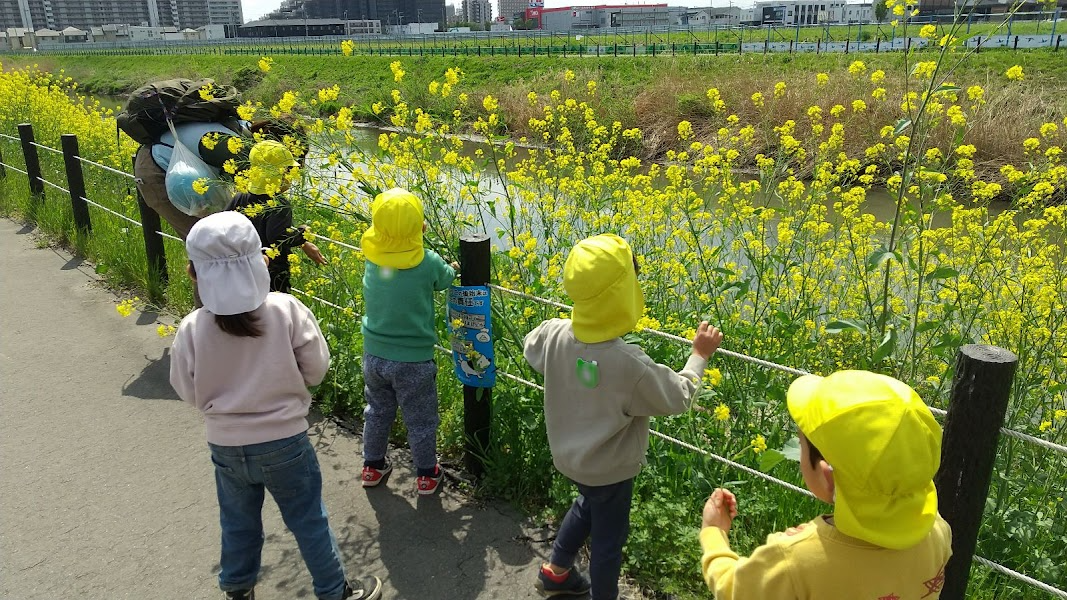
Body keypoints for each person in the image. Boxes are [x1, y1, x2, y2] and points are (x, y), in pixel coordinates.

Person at [169, 211, 382, 600]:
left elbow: (185, 389)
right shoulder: (286, 310)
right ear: (260, 262)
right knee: (307, 519)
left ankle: (237, 589)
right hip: (285, 442)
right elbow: (316, 369)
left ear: (194, 273)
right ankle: (335, 592)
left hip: (226, 447)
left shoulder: (192, 327)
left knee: (237, 521)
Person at [522, 233, 723, 600]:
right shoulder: (628, 364)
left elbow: (531, 350)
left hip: (572, 459)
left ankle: (556, 571)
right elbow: (679, 395)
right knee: (608, 544)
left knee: (586, 504)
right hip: (611, 471)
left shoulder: (553, 333)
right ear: (623, 295)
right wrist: (699, 355)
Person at [699, 370, 952, 599]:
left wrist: (713, 532)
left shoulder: (795, 560)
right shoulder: (937, 531)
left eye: (801, 445)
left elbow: (732, 588)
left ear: (827, 475)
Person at [359, 188, 457, 495]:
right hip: (413, 360)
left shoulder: (373, 259)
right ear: (422, 227)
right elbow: (444, 280)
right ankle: (427, 473)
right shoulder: (427, 262)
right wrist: (453, 268)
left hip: (374, 355)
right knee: (421, 418)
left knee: (377, 411)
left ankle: (372, 466)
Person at [228, 140, 326, 293]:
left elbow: (224, 223)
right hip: (272, 275)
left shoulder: (240, 197)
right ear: (278, 173)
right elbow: (278, 237)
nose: (291, 177)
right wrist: (302, 233)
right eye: (289, 171)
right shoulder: (279, 204)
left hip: (242, 269)